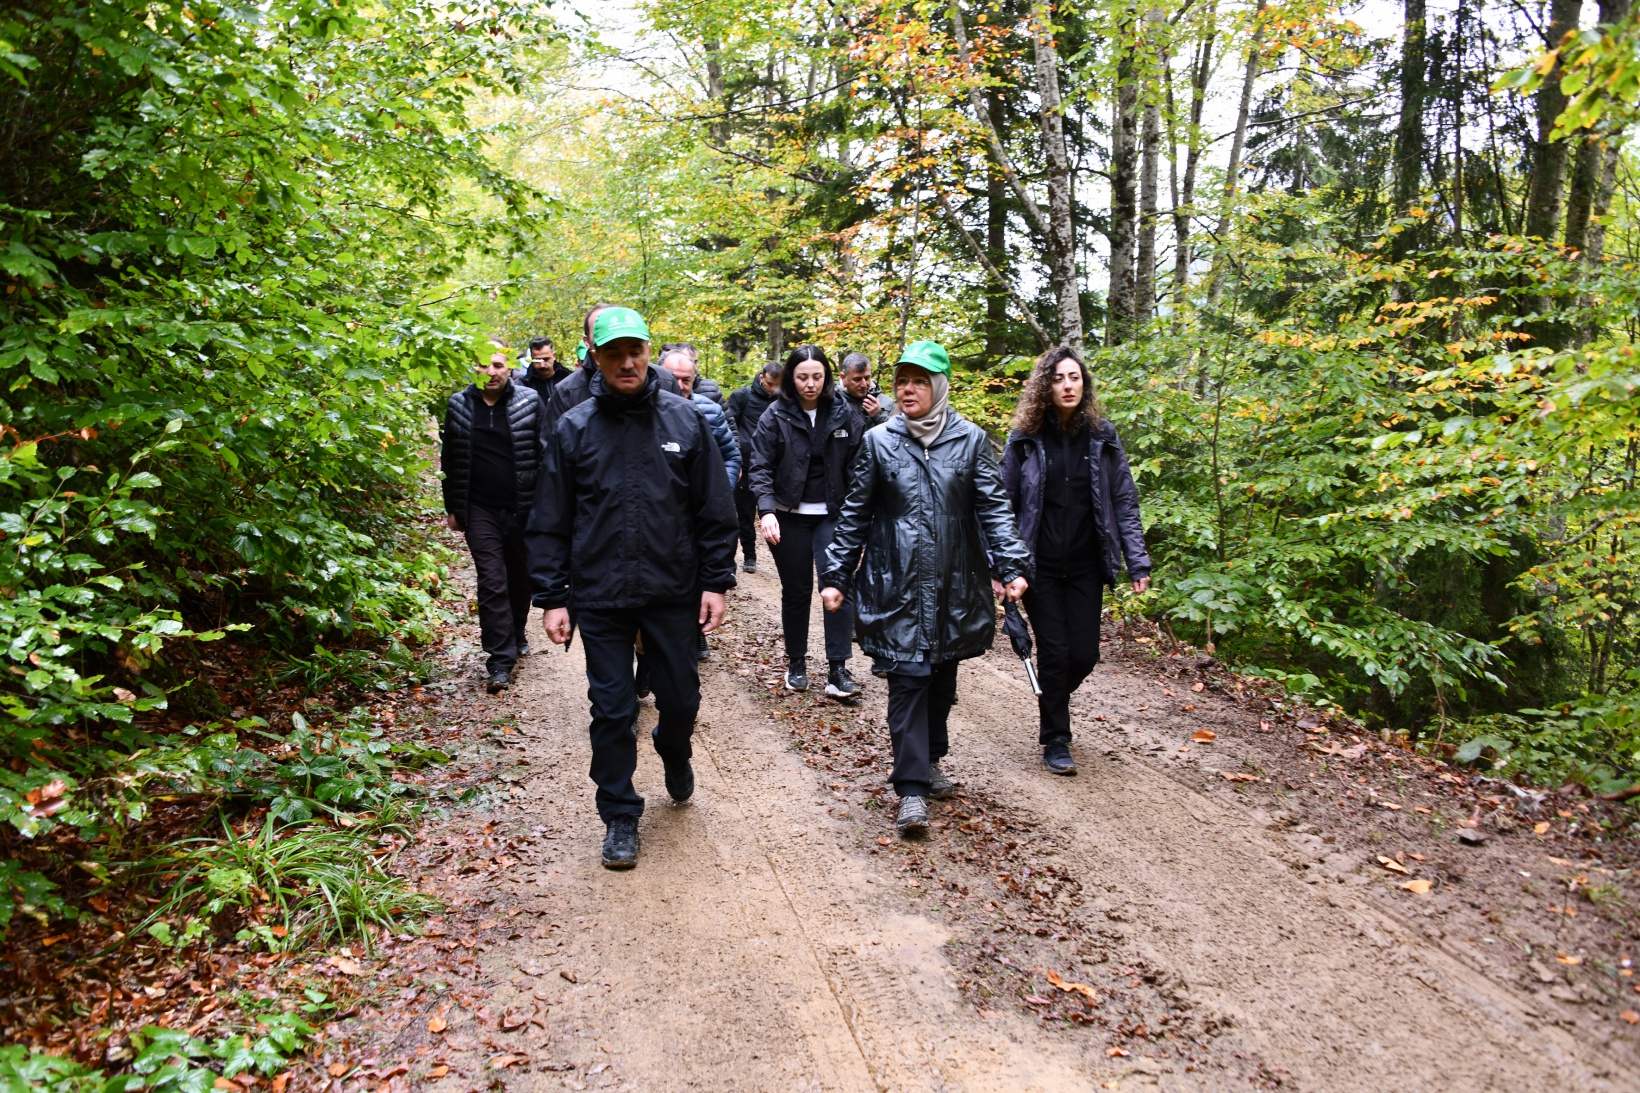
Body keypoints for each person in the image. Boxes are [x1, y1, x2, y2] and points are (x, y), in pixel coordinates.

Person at [526, 307, 737, 870]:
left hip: (673, 588)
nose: (626, 362)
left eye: (634, 350)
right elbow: (549, 518)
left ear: (648, 352)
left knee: (682, 699)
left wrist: (716, 582)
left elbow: (714, 509)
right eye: (613, 352)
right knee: (613, 708)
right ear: (595, 357)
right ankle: (620, 813)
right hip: (600, 591)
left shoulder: (684, 421)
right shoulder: (574, 428)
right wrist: (552, 596)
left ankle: (674, 747)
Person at [820, 341, 1030, 836]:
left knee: (941, 676)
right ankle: (910, 788)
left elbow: (994, 509)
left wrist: (1012, 564)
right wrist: (835, 576)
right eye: (901, 380)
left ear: (938, 386)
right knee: (909, 677)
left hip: (956, 580)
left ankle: (931, 757)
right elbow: (854, 515)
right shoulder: (878, 441)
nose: (907, 389)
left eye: (918, 380)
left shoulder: (972, 441)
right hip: (896, 580)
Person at [1000, 347, 1152, 775]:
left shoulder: (1103, 436)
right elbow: (1001, 503)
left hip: (1086, 562)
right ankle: (1056, 738)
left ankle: (1053, 702)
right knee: (1056, 652)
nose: (1067, 385)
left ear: (1084, 385)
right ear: (1044, 387)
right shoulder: (1025, 439)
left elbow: (1124, 499)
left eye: (1074, 378)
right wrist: (1002, 566)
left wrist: (1137, 561)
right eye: (1058, 378)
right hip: (1039, 565)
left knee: (1083, 656)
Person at [748, 345, 865, 698]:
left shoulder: (844, 414)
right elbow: (760, 466)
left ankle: (838, 669)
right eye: (802, 377)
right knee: (796, 591)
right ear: (790, 378)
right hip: (788, 516)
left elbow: (861, 468)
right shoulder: (775, 415)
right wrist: (766, 510)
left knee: (837, 587)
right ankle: (796, 662)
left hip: (833, 515)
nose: (810, 384)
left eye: (817, 377)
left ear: (827, 378)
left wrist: (857, 517)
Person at [440, 344, 548, 694]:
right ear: (474, 368)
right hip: (480, 509)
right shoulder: (458, 404)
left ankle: (516, 631)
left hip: (522, 507)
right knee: (491, 580)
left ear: (510, 368)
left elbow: (545, 454)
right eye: (484, 365)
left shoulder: (529, 401)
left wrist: (548, 507)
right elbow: (450, 461)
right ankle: (499, 661)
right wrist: (453, 509)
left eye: (498, 365)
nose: (491, 372)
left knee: (521, 579)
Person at [660, 345, 742, 663]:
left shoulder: (708, 410)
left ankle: (694, 634)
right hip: (665, 513)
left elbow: (732, 453)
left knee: (698, 573)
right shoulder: (648, 414)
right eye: (675, 378)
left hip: (702, 510)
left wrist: (721, 491)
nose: (681, 385)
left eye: (687, 379)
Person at [548, 304, 679, 429]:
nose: (627, 365)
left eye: (635, 353)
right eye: (614, 354)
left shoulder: (666, 381)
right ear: (588, 343)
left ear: (648, 351)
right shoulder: (568, 394)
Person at [726, 362, 782, 573]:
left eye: (777, 385)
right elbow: (730, 428)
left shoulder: (784, 400)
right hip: (746, 466)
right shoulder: (742, 396)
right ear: (761, 377)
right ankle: (749, 556)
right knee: (745, 514)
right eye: (770, 384)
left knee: (776, 514)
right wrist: (736, 461)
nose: (773, 388)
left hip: (774, 467)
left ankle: (783, 558)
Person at [839, 352, 894, 427]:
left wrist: (878, 416)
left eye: (867, 378)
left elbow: (895, 436)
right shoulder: (831, 402)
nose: (864, 385)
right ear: (843, 378)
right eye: (857, 379)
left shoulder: (887, 403)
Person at [516, 335, 572, 401]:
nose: (542, 365)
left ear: (554, 356)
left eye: (546, 359)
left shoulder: (568, 378)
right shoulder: (523, 385)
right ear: (531, 358)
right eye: (537, 360)